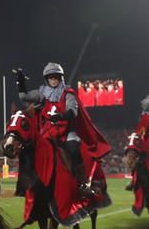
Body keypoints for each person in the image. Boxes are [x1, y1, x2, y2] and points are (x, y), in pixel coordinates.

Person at [15, 62, 109, 198]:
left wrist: (60, 116)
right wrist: (20, 82)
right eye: (50, 78)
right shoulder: (42, 93)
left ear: (60, 78)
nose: (53, 80)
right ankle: (26, 183)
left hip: (67, 130)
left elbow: (73, 112)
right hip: (49, 130)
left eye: (55, 78)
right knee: (32, 149)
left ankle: (83, 183)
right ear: (46, 79)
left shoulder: (68, 93)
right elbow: (24, 97)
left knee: (74, 148)